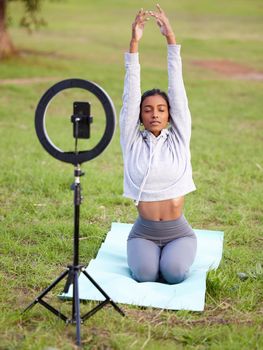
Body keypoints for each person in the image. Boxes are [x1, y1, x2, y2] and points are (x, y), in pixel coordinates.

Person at [120, 5, 197, 284]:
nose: (154, 113)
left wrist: (171, 39)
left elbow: (177, 90)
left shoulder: (179, 138)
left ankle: (178, 254)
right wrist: (134, 43)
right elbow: (131, 96)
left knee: (174, 274)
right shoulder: (132, 141)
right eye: (148, 109)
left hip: (178, 232)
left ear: (169, 114)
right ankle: (145, 255)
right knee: (145, 275)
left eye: (161, 109)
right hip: (144, 232)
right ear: (141, 115)